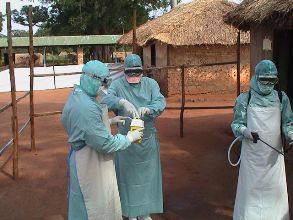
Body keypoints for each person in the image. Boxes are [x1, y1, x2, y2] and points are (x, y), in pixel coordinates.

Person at [61, 60, 143, 220]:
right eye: (103, 81)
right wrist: (129, 138)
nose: (104, 85)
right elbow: (105, 144)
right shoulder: (86, 107)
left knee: (84, 201)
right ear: (91, 78)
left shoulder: (78, 94)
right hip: (90, 161)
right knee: (94, 206)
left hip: (81, 154)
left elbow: (78, 124)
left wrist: (108, 122)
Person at [102, 54, 166, 220]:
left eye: (137, 74)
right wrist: (122, 102)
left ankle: (145, 212)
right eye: (130, 74)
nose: (134, 77)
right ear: (124, 72)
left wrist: (149, 109)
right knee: (128, 178)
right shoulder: (117, 85)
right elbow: (106, 99)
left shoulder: (150, 84)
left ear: (142, 71)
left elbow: (160, 102)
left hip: (147, 139)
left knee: (147, 178)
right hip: (126, 140)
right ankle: (130, 212)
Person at [231, 59, 293, 220]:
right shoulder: (245, 99)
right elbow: (237, 124)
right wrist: (245, 131)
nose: (268, 83)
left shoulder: (281, 98)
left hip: (273, 159)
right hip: (252, 158)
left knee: (274, 192)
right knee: (250, 194)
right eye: (264, 79)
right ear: (256, 77)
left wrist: (290, 133)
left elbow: (287, 123)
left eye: (272, 80)